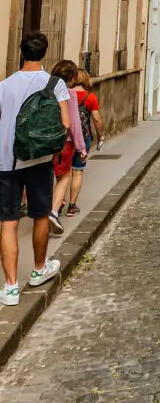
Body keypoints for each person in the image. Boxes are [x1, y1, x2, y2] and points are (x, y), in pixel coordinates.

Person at [0, 32, 70, 306]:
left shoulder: (4, 85)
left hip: (6, 162)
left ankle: (10, 287)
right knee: (40, 217)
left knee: (8, 222)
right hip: (39, 162)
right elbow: (64, 123)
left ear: (21, 52)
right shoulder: (55, 84)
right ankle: (39, 269)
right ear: (45, 52)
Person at [48, 61, 86, 236]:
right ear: (72, 77)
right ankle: (53, 212)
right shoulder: (69, 93)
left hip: (42, 140)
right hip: (64, 142)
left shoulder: (44, 89)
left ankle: (44, 209)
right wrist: (81, 148)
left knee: (47, 175)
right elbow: (74, 125)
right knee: (63, 177)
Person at [67, 68, 103, 217]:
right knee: (77, 171)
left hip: (66, 138)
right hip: (83, 137)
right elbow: (96, 119)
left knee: (62, 173)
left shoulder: (66, 95)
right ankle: (72, 206)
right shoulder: (90, 97)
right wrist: (101, 136)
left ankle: (58, 201)